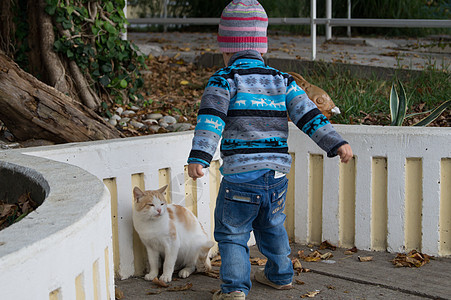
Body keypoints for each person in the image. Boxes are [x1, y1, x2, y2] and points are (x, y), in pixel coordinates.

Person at [187, 1, 353, 299]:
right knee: (272, 225)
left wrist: (199, 157)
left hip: (240, 178)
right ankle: (280, 275)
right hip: (275, 175)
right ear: (263, 48)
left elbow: (209, 122)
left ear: (226, 48)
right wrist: (336, 143)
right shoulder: (283, 80)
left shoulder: (224, 79)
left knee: (232, 234)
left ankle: (235, 288)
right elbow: (310, 117)